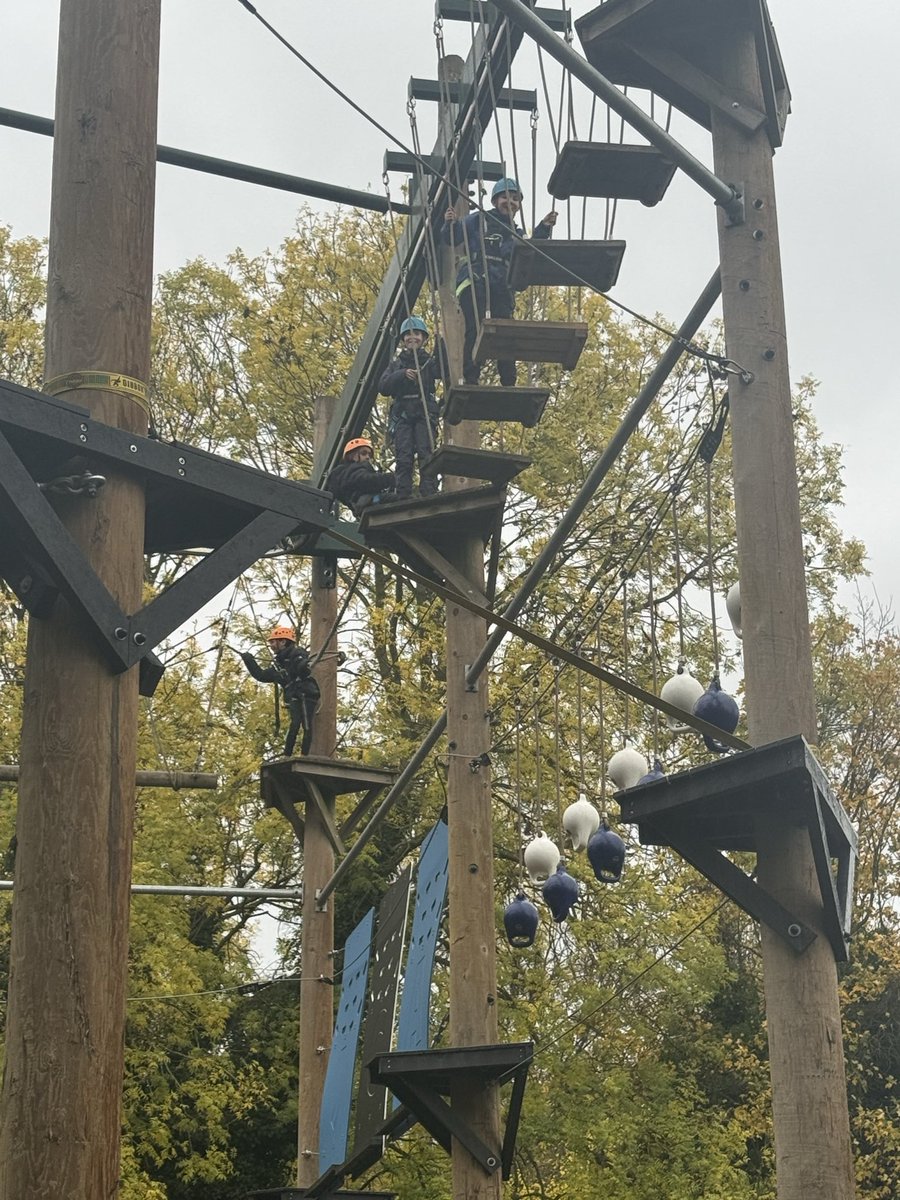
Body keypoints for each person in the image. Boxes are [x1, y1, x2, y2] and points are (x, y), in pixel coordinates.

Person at [441, 177, 557, 387]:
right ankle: (471, 377)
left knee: (505, 330)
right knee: (475, 328)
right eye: (505, 197)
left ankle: (508, 379)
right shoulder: (478, 220)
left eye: (514, 199)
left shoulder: (515, 232)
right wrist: (449, 223)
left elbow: (529, 249)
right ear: (495, 201)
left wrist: (543, 228)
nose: (510, 202)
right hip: (475, 279)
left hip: (501, 283)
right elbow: (453, 237)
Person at [378, 315, 444, 499]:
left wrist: (441, 347)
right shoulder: (396, 365)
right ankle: (403, 495)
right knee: (404, 456)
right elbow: (383, 387)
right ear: (403, 340)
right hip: (403, 413)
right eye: (408, 335)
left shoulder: (429, 362)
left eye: (416, 334)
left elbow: (442, 371)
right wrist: (401, 374)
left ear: (423, 338)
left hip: (424, 411)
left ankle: (429, 492)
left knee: (426, 452)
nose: (412, 337)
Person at [240, 625, 321, 758]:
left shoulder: (297, 653)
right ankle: (287, 755)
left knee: (306, 725)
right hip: (294, 694)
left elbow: (304, 667)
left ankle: (304, 756)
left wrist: (301, 666)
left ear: (283, 642)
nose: (271, 645)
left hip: (307, 693)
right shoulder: (278, 664)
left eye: (273, 642)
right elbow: (261, 675)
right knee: (295, 723)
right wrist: (249, 661)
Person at [325, 437, 397, 517]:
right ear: (353, 455)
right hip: (369, 501)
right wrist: (391, 478)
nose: (367, 457)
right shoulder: (351, 471)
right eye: (364, 453)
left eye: (369, 454)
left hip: (365, 504)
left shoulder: (343, 475)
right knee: (402, 499)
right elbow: (366, 480)